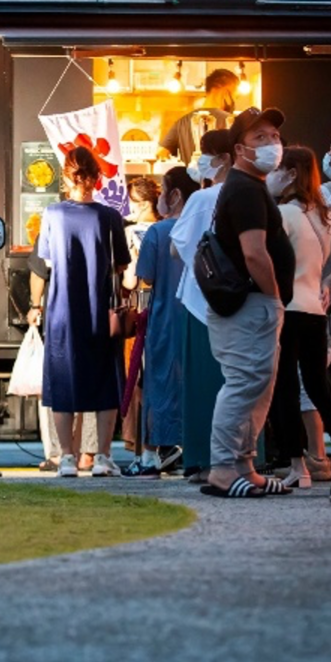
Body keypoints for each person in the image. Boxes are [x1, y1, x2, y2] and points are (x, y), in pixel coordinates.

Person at [199, 108, 297, 498]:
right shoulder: (244, 190)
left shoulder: (250, 187)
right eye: (260, 138)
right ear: (239, 148)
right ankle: (224, 468)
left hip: (252, 304)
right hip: (250, 303)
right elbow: (254, 253)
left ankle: (243, 464)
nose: (272, 144)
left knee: (258, 385)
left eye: (274, 136)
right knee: (244, 384)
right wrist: (274, 297)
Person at [30, 147, 132, 478]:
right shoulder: (109, 217)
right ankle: (102, 457)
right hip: (100, 308)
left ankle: (67, 459)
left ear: (66, 176)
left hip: (62, 310)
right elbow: (120, 265)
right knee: (104, 380)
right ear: (97, 177)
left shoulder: (52, 215)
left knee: (64, 382)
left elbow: (45, 263)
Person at [262, 146, 331, 489]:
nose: (273, 175)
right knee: (320, 387)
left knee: (285, 387)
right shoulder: (325, 216)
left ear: (292, 173)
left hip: (289, 308)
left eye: (279, 169)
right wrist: (326, 283)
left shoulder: (285, 214)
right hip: (315, 309)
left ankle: (299, 465)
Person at [170, 129, 237, 480]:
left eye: (204, 153)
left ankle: (201, 458)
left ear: (223, 158)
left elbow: (176, 247)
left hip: (201, 296)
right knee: (239, 379)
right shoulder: (253, 193)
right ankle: (241, 457)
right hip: (241, 296)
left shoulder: (201, 199)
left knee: (201, 381)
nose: (199, 160)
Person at [131, 168, 200, 477]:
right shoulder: (201, 226)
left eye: (162, 192)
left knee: (159, 384)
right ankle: (192, 446)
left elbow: (144, 276)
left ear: (173, 196)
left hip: (163, 318)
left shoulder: (157, 233)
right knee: (194, 382)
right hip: (197, 316)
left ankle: (155, 451)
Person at [161, 69, 242, 164]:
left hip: (188, 177)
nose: (234, 101)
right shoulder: (233, 122)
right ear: (225, 92)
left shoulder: (182, 122)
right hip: (223, 178)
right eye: (235, 96)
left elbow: (162, 153)